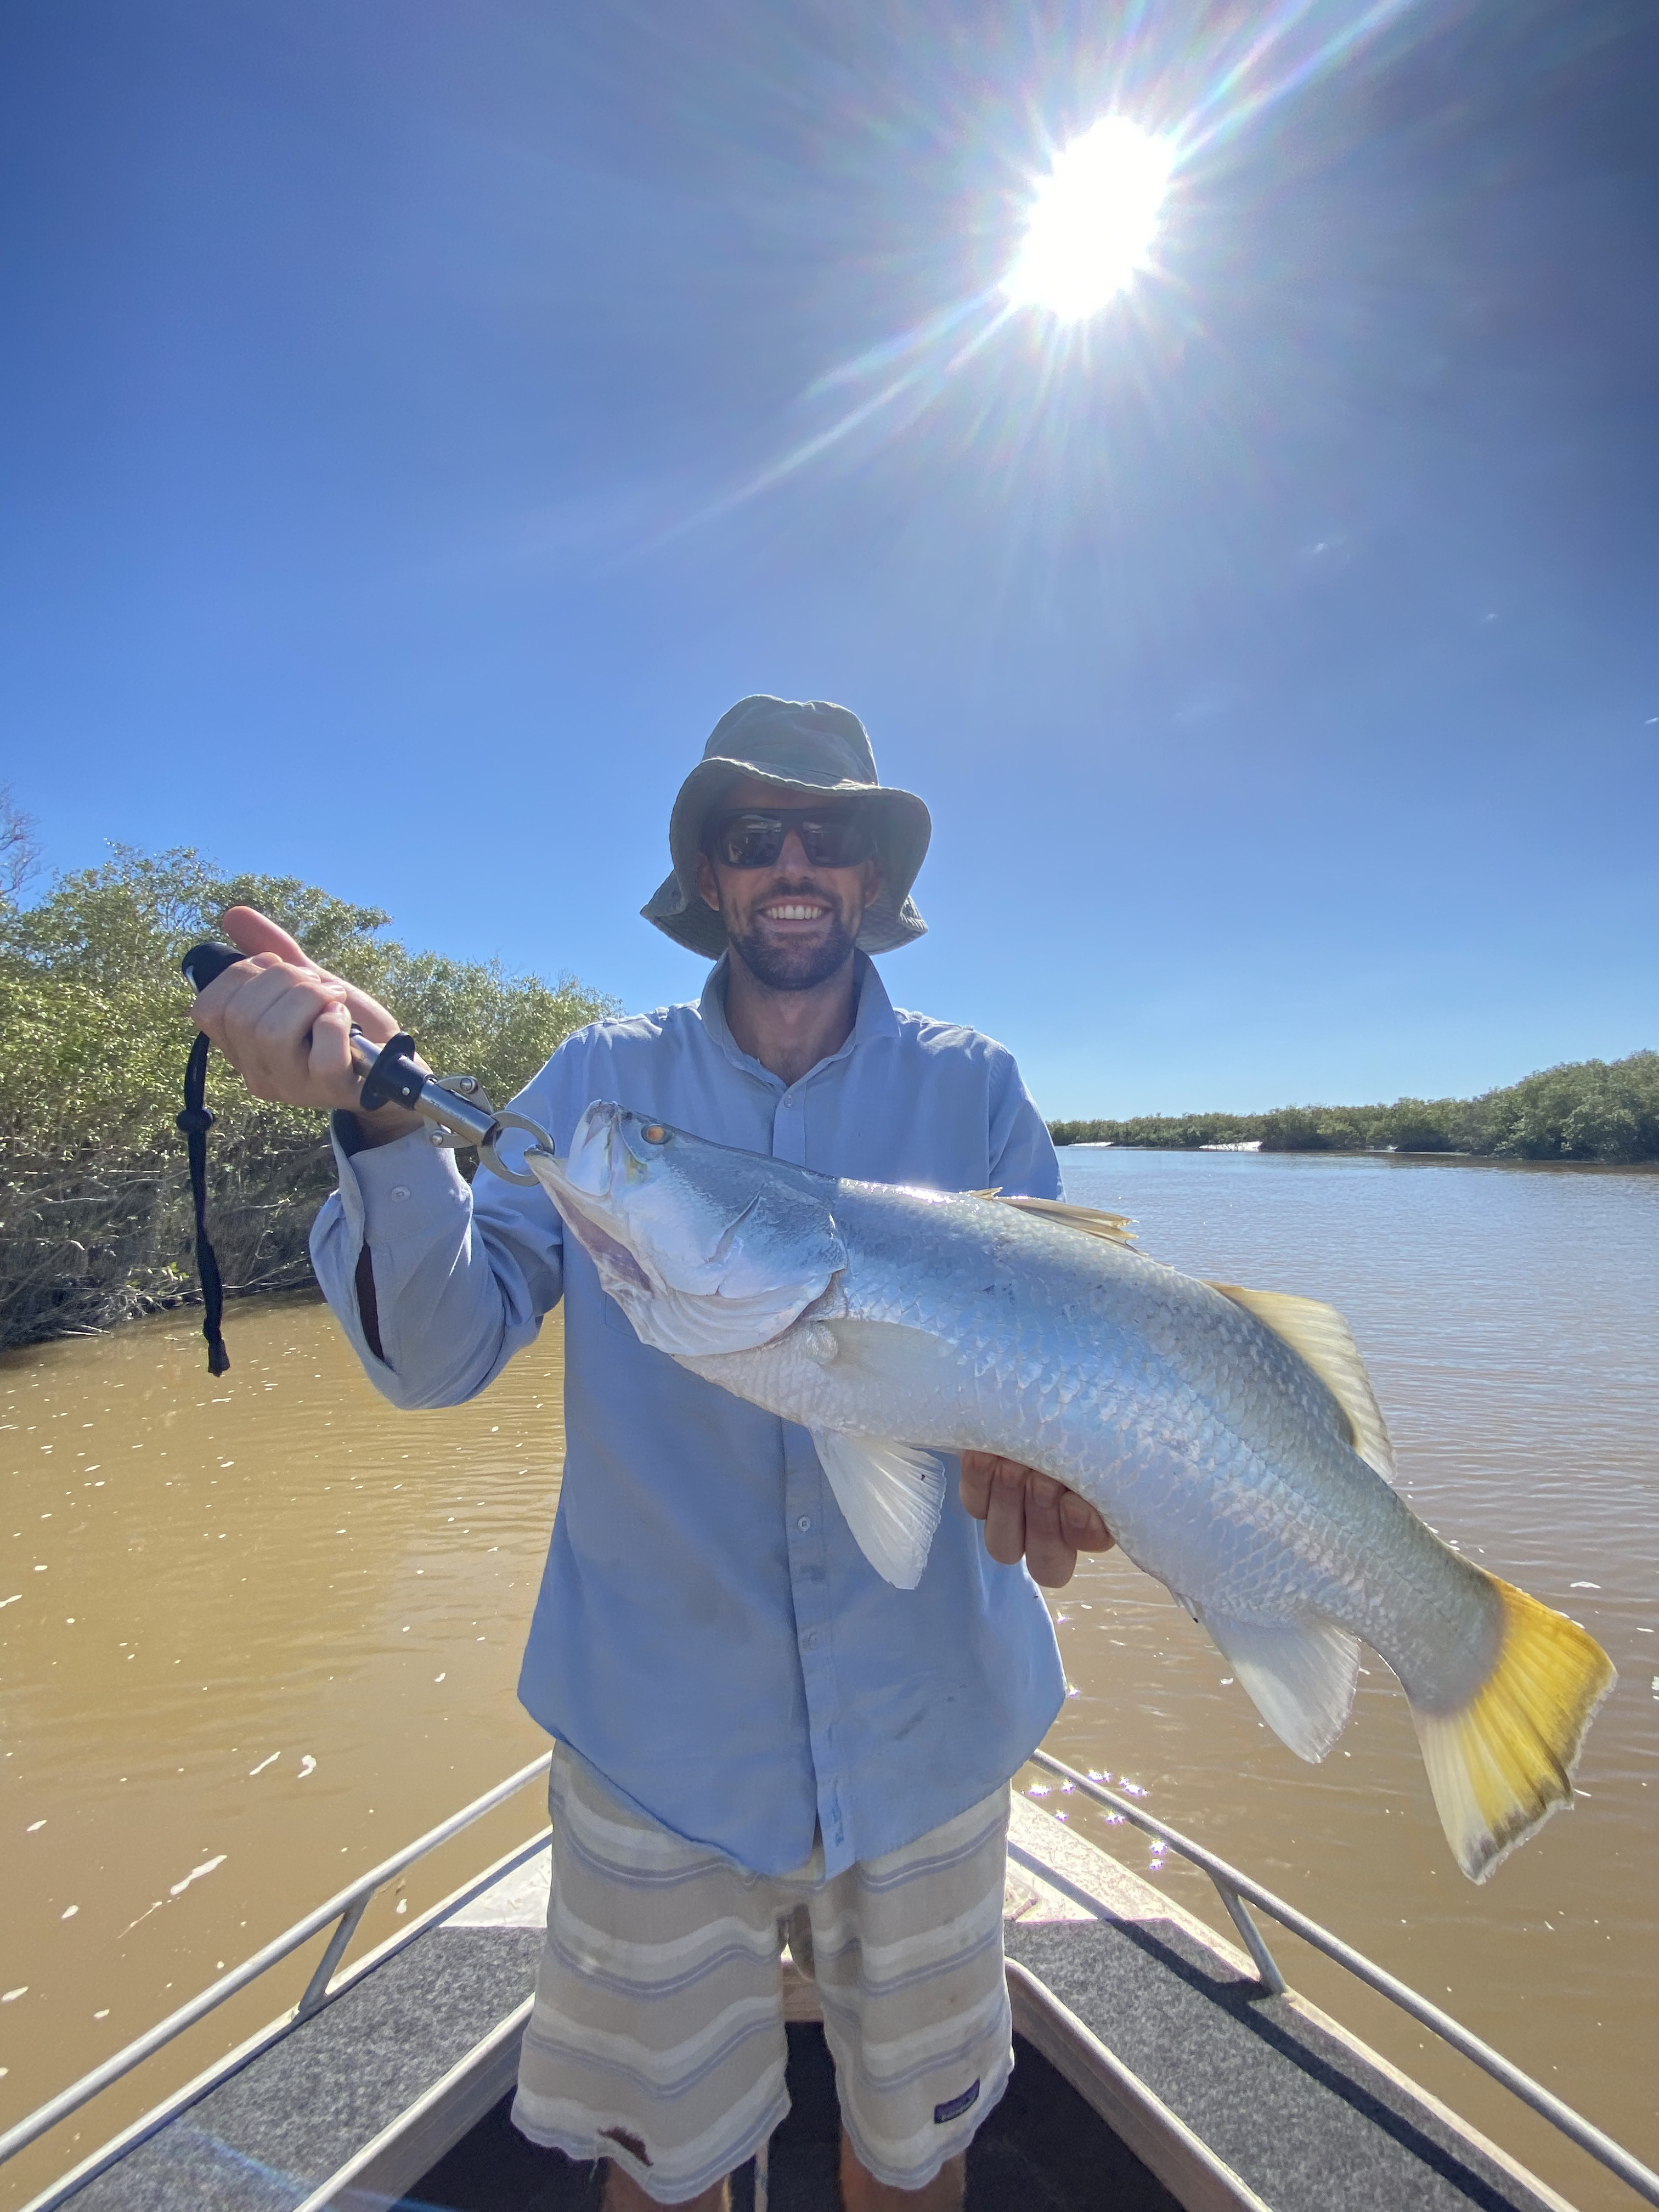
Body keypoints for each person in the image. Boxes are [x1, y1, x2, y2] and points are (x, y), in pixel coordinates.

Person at [194, 695, 1113, 2211]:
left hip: (934, 1732)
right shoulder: (599, 1094)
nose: (797, 864)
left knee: (918, 2151)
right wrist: (375, 1128)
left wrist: (1060, 1471)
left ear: (878, 879)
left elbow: (1054, 1368)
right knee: (665, 2170)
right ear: (713, 876)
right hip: (654, 1747)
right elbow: (441, 1354)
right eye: (758, 839)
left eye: (836, 836)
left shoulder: (981, 1090)